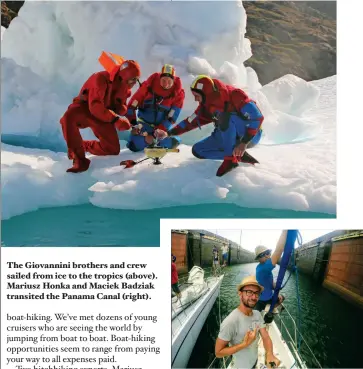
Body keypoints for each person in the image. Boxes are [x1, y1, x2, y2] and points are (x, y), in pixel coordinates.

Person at [169, 75, 264, 177]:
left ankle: (230, 160)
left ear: (205, 94)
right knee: (198, 150)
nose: (196, 99)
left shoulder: (235, 95)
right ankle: (238, 156)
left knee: (225, 116)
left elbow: (257, 117)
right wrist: (170, 132)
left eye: (197, 95)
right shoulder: (206, 106)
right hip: (227, 134)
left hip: (249, 135)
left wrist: (244, 142)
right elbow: (190, 121)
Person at [60, 60, 141, 173]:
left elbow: (119, 104)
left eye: (137, 79)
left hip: (103, 113)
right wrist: (116, 120)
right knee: (68, 118)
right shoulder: (101, 79)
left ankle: (83, 145)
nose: (134, 82)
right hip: (85, 107)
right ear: (124, 76)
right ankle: (79, 159)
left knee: (112, 148)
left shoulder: (125, 89)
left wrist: (130, 120)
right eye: (133, 79)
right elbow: (95, 106)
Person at [215, 276, 281, 369]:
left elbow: (265, 336)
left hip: (254, 361)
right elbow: (218, 353)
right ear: (240, 293)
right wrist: (244, 344)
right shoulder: (230, 322)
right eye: (249, 292)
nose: (254, 297)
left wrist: (270, 354)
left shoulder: (257, 314)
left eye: (257, 293)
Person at [126, 64, 185, 152]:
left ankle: (152, 142)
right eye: (163, 80)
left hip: (161, 129)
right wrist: (134, 125)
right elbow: (131, 106)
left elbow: (172, 117)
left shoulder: (178, 94)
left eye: (169, 81)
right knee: (133, 146)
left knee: (174, 141)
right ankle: (149, 142)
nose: (166, 84)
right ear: (159, 78)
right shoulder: (147, 86)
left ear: (174, 81)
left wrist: (157, 132)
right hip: (143, 126)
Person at [254, 230, 288, 312]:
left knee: (280, 296)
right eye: (266, 253)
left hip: (263, 297)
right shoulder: (265, 267)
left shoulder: (260, 267)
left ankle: (269, 308)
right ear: (260, 257)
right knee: (282, 297)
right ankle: (269, 309)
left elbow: (271, 284)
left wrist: (276, 290)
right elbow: (279, 250)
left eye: (269, 252)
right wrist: (285, 230)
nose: (269, 255)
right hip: (263, 300)